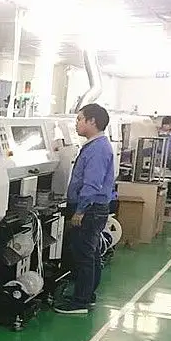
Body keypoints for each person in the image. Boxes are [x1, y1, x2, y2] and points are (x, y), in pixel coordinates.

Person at [55, 103, 115, 315]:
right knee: (91, 253)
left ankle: (80, 301)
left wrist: (80, 211)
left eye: (80, 119)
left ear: (92, 121)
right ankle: (87, 295)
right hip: (95, 207)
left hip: (90, 209)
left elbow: (91, 184)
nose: (76, 123)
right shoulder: (96, 146)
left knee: (84, 255)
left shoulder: (97, 149)